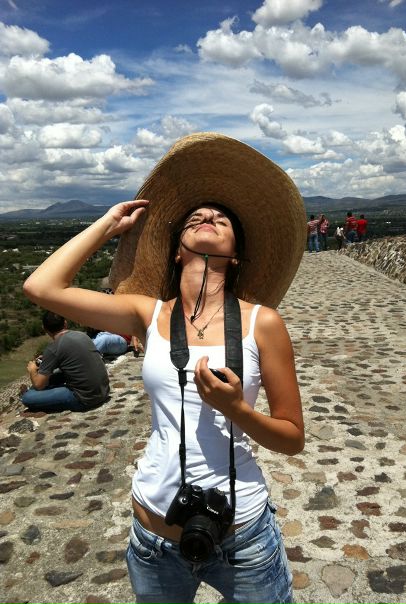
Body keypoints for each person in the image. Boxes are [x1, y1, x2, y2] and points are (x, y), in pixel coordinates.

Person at [23, 132, 305, 604]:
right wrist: (108, 225)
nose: (207, 218)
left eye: (221, 219)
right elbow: (41, 287)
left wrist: (237, 409)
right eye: (194, 218)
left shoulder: (264, 323)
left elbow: (292, 438)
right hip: (154, 535)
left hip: (243, 536)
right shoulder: (147, 313)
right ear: (177, 251)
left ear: (236, 253)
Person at [20, 311, 110, 412]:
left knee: (27, 397)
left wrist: (32, 369)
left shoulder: (53, 348)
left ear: (44, 329)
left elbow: (39, 385)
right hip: (104, 390)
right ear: (65, 323)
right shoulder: (82, 335)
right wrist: (49, 359)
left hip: (84, 399)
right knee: (55, 375)